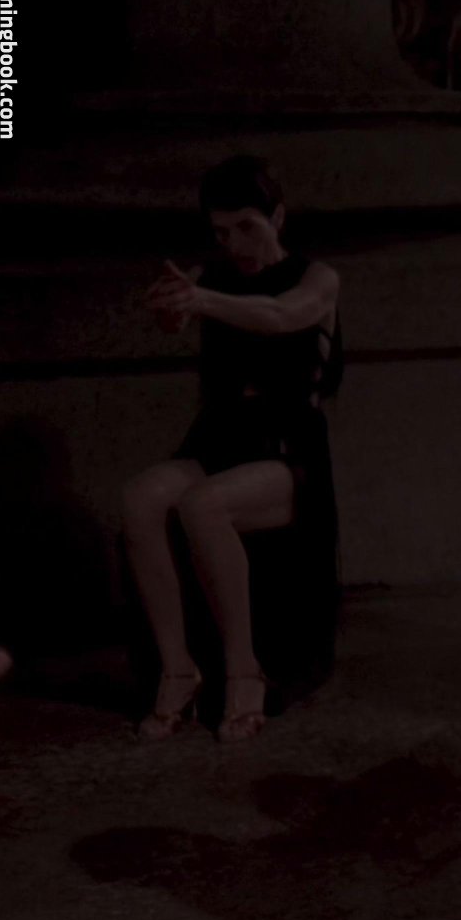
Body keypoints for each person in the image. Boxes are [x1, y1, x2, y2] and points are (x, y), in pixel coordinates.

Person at [123, 154, 343, 742]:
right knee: (142, 498)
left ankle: (245, 672)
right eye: (222, 232)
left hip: (287, 449)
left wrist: (199, 301)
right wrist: (172, 308)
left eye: (247, 226)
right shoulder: (211, 279)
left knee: (204, 505)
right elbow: (177, 316)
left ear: (278, 216)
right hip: (222, 438)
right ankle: (178, 671)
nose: (235, 243)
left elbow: (282, 315)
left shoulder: (317, 279)